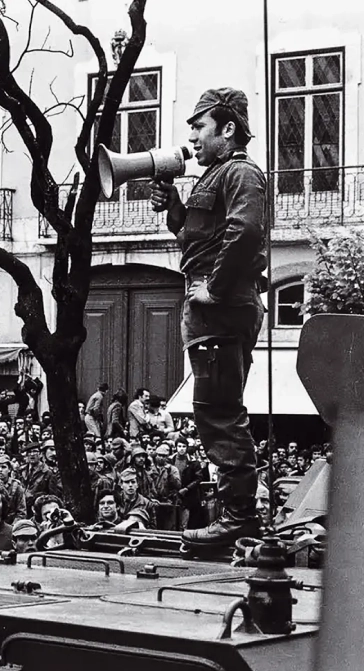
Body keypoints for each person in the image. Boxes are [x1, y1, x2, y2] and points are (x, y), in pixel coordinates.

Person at [151, 88, 267, 546]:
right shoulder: (218, 175)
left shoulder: (239, 172)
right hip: (212, 313)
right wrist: (175, 209)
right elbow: (199, 235)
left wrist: (214, 289)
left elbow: (245, 231)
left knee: (218, 413)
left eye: (200, 127)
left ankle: (238, 518)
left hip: (219, 311)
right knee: (215, 411)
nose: (193, 138)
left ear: (228, 129)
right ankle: (237, 514)